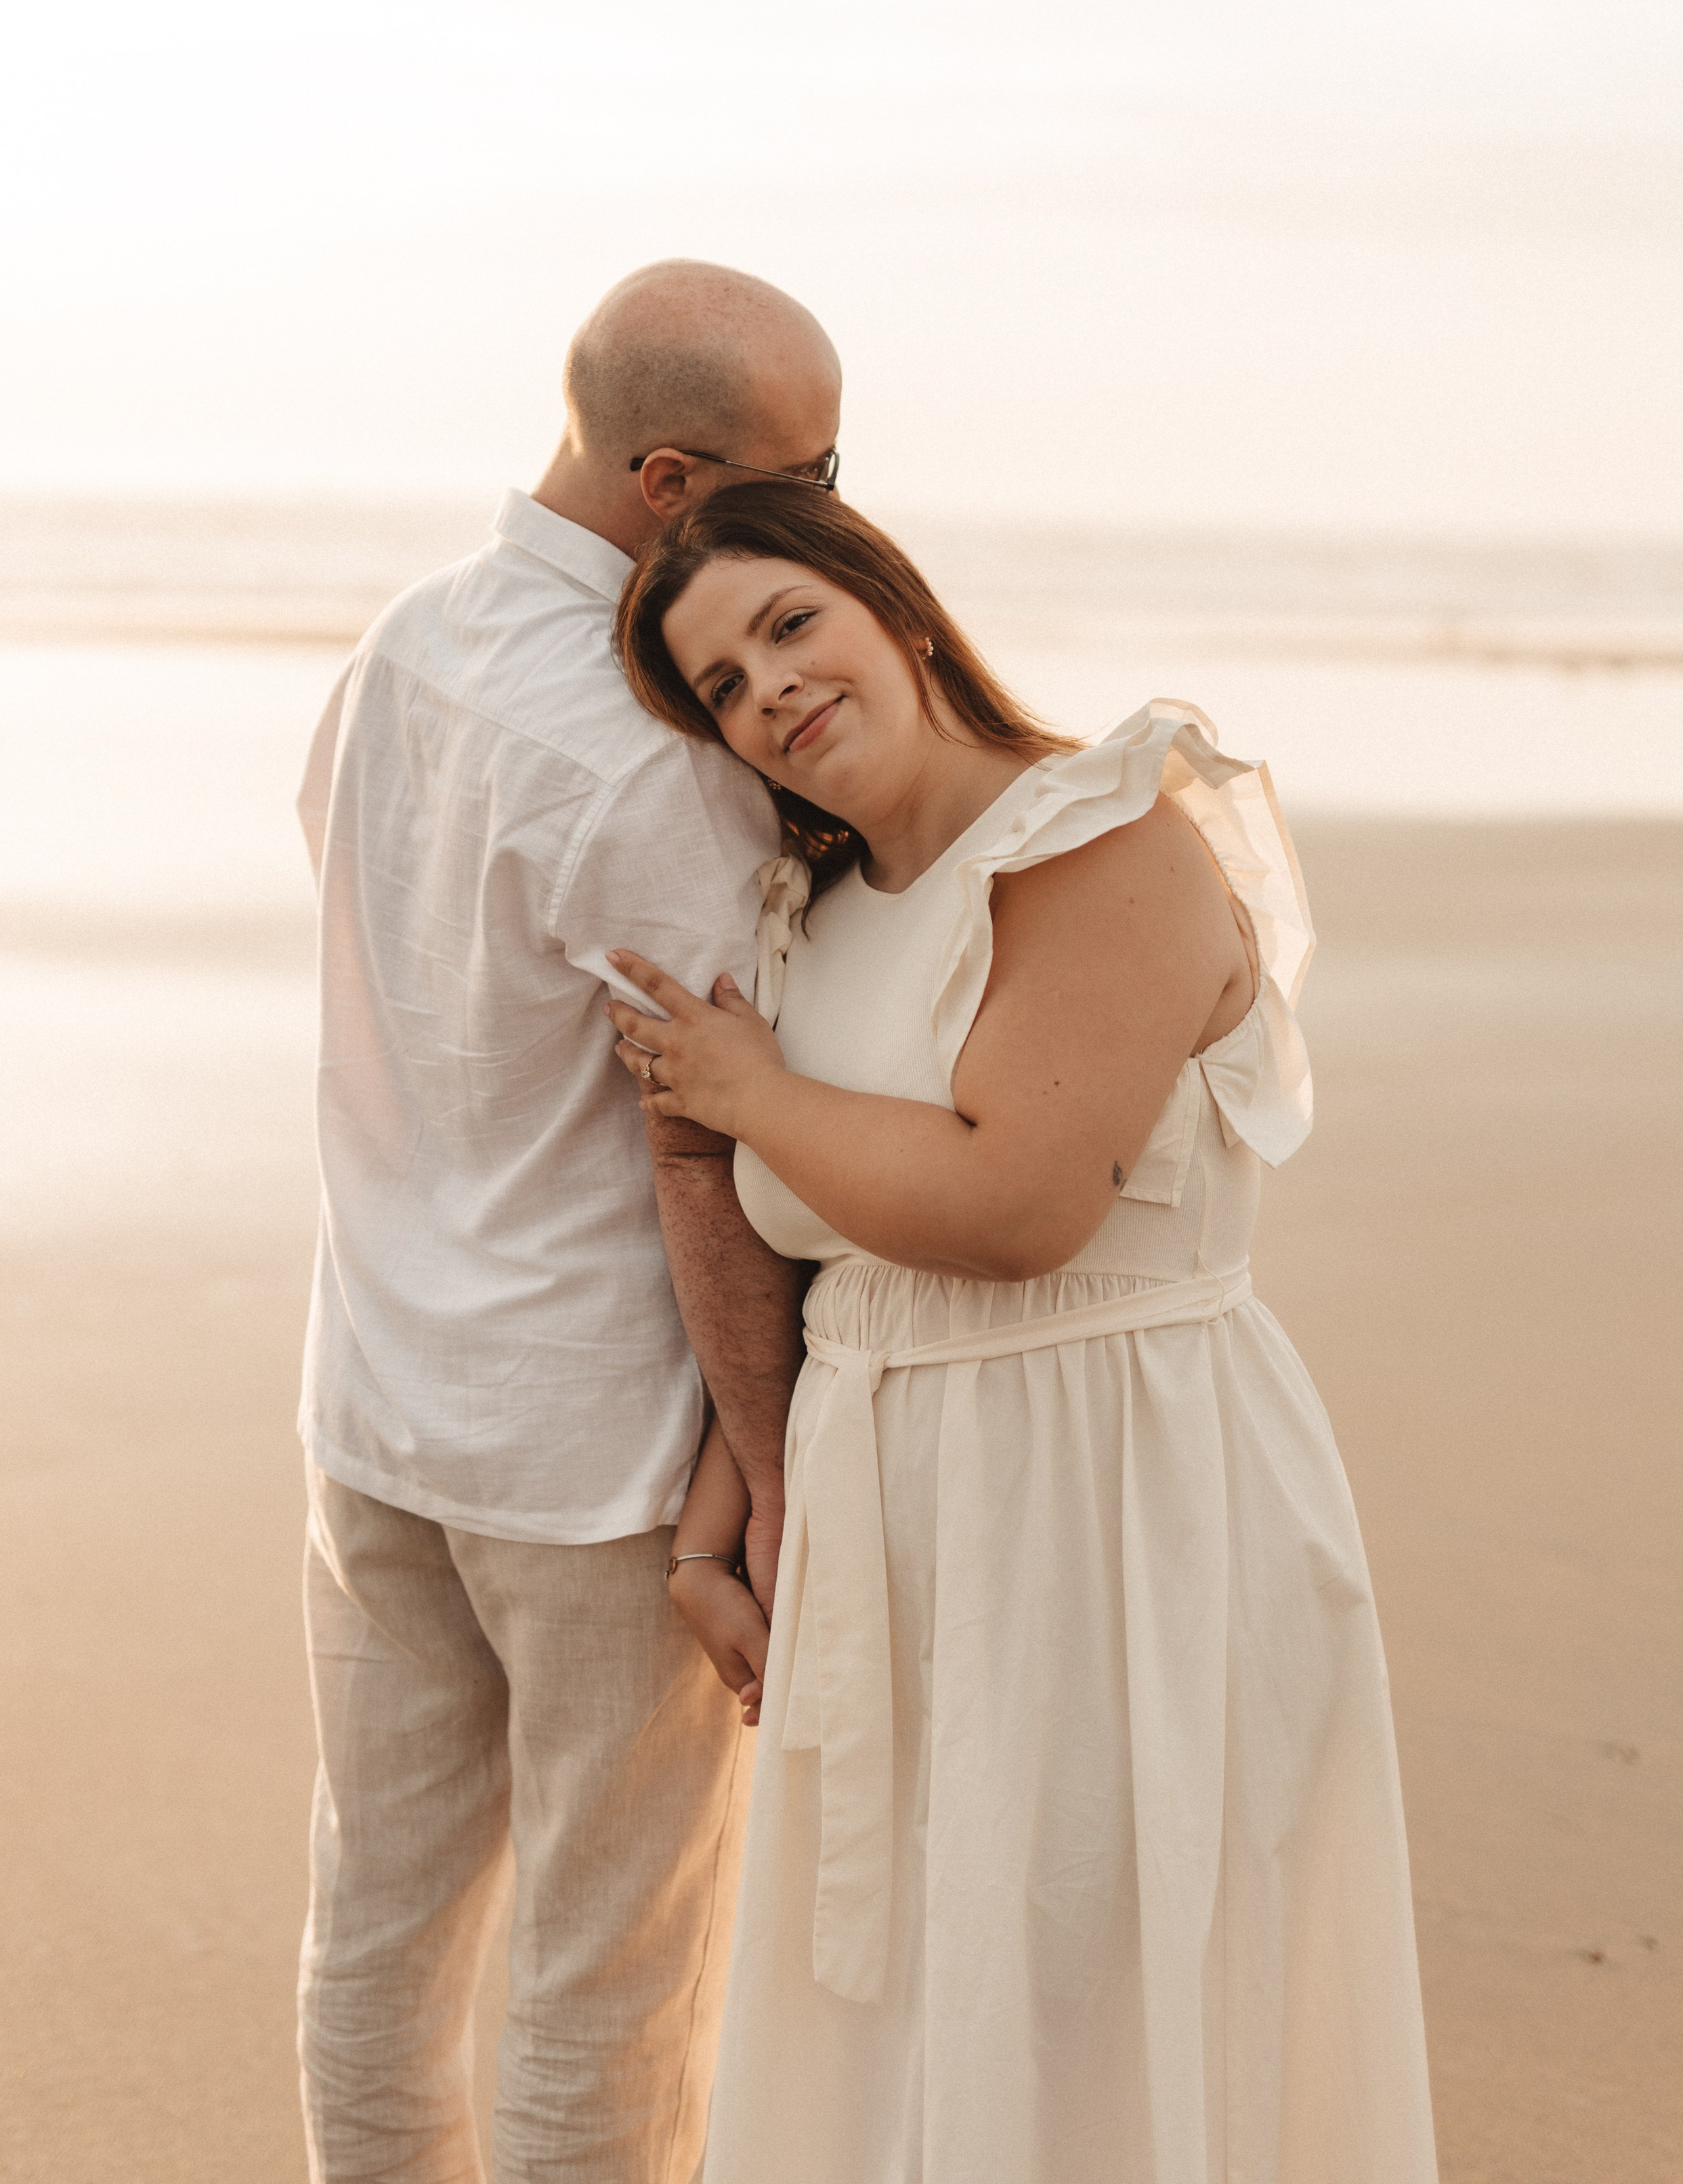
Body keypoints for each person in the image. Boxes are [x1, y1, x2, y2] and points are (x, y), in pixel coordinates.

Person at [604, 484, 1439, 2184]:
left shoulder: (1102, 839)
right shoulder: (812, 921)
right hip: (891, 1510)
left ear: (895, 612)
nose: (765, 692)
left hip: (1114, 1498)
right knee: (915, 2012)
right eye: (718, 686)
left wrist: (754, 1092)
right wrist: (720, 1515)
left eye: (788, 626)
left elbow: (1009, 1209)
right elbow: (845, 1267)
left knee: (1098, 2001)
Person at [293, 263, 840, 2183]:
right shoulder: (658, 758)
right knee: (606, 1984)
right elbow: (702, 1150)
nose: (843, 505)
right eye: (815, 468)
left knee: (376, 1929)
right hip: (588, 1451)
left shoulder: (399, 643)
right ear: (678, 480)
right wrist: (768, 1475)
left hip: (374, 1390)